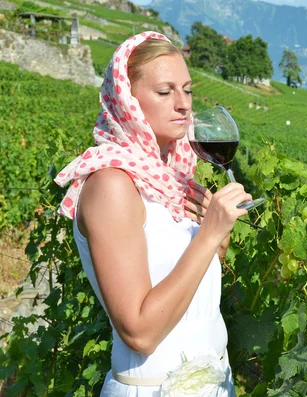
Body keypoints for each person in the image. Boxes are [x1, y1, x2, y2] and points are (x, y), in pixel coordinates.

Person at [54, 31, 251, 396]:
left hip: (214, 384)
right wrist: (208, 235)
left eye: (187, 90)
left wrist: (216, 239)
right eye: (165, 92)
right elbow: (140, 333)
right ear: (128, 101)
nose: (183, 105)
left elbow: (195, 287)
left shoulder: (172, 180)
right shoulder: (112, 185)